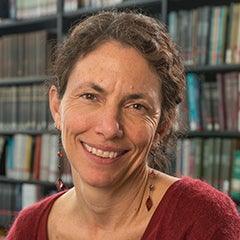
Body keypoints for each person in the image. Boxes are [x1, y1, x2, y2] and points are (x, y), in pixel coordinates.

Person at [7, 10, 240, 240]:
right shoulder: (29, 227)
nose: (109, 128)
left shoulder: (205, 222)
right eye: (90, 96)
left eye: (136, 106)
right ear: (57, 108)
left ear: (162, 126)